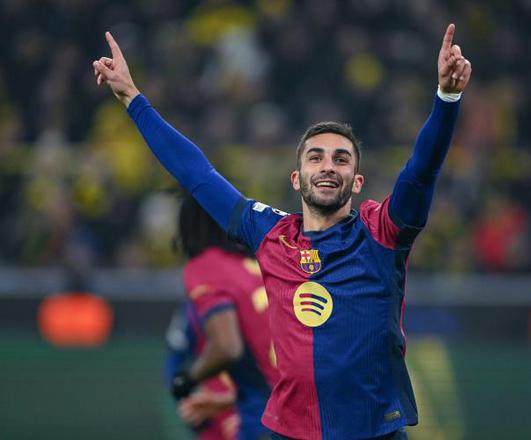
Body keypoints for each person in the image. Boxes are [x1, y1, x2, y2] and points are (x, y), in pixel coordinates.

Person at [93, 22, 471, 440]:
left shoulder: (382, 233)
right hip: (289, 432)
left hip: (374, 433)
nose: (328, 166)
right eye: (316, 157)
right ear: (296, 178)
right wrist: (132, 98)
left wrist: (446, 98)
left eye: (342, 159)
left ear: (357, 182)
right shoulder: (270, 233)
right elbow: (196, 173)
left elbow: (421, 171)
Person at [169, 193, 278, 440]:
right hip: (301, 412)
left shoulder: (205, 267)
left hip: (265, 422)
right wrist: (229, 400)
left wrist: (186, 379)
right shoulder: (260, 262)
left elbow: (227, 347)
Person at [164, 302, 239, 440]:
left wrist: (251, 411)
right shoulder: (191, 310)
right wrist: (187, 401)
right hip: (212, 412)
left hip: (254, 412)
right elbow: (174, 362)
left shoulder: (256, 299)